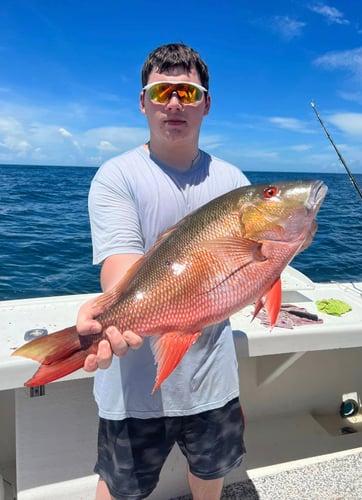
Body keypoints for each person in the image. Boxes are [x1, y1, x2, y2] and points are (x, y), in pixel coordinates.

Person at [77, 42, 250, 500]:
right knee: (118, 488)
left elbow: (251, 274)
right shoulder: (117, 176)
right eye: (161, 92)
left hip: (212, 379)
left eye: (188, 94)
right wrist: (111, 313)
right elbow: (121, 265)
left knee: (211, 477)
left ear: (207, 104)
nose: (174, 103)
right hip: (132, 386)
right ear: (143, 102)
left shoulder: (234, 183)